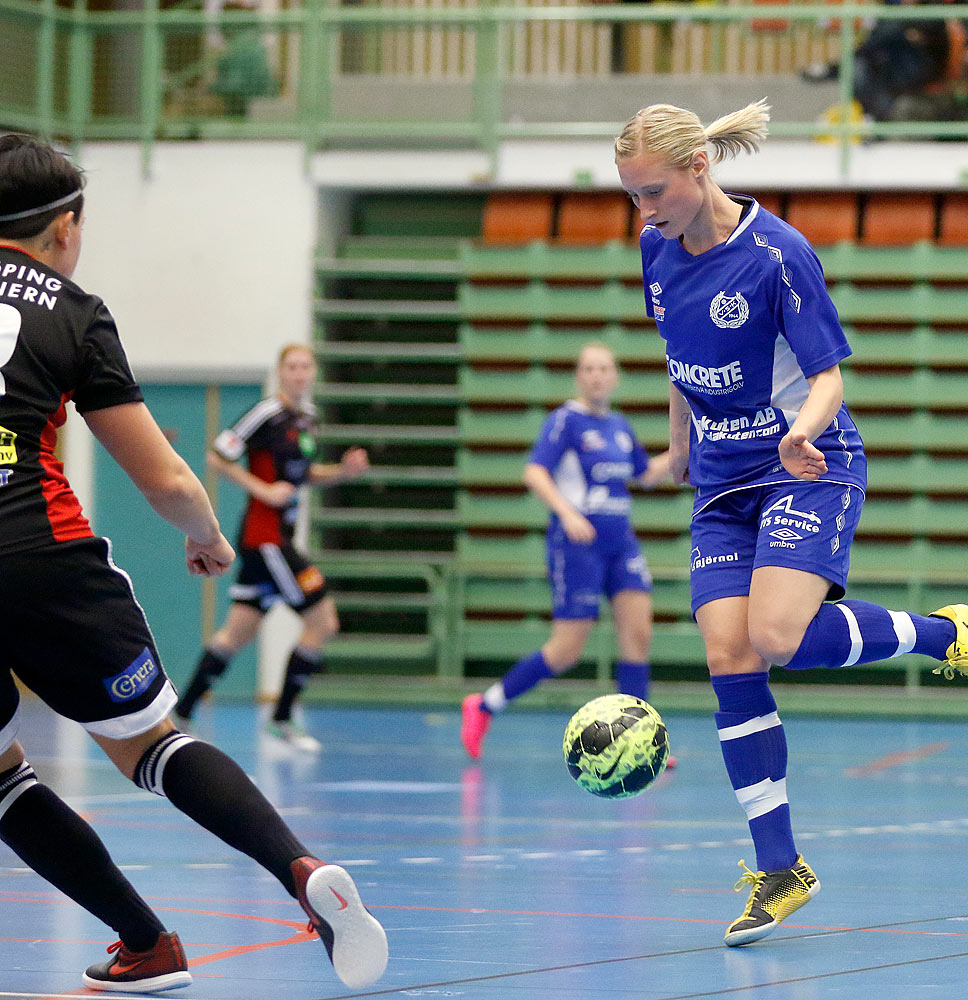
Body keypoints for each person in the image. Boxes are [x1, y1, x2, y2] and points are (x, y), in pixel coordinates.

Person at [613, 99, 968, 948]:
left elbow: (829, 376)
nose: (642, 211)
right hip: (722, 482)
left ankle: (947, 637)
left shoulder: (778, 254)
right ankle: (779, 869)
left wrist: (800, 430)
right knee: (728, 651)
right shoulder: (656, 247)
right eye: (631, 196)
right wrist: (677, 443)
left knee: (777, 635)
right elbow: (675, 357)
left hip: (807, 461)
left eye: (653, 191)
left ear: (699, 169)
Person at [0, 133, 386, 992]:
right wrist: (209, 536)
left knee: (1, 780)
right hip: (43, 554)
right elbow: (168, 479)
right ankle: (300, 870)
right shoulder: (72, 310)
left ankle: (148, 943)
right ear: (65, 227)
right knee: (148, 747)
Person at [460, 342, 673, 760]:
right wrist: (567, 512)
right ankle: (485, 705)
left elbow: (645, 474)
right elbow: (534, 471)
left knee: (639, 635)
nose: (596, 375)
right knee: (566, 650)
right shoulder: (565, 421)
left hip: (620, 543)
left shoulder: (618, 426)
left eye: (604, 368)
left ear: (615, 377)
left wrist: (690, 448)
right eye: (588, 368)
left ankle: (640, 741)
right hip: (577, 546)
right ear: (579, 376)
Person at [172, 344, 368, 752]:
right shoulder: (266, 414)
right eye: (292, 367)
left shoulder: (308, 419)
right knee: (324, 621)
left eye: (306, 366)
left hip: (279, 540)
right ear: (281, 372)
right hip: (267, 540)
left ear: (313, 372)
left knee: (235, 635)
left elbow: (304, 475)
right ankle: (281, 718)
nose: (299, 374)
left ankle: (182, 713)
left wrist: (342, 474)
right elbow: (217, 457)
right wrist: (262, 490)